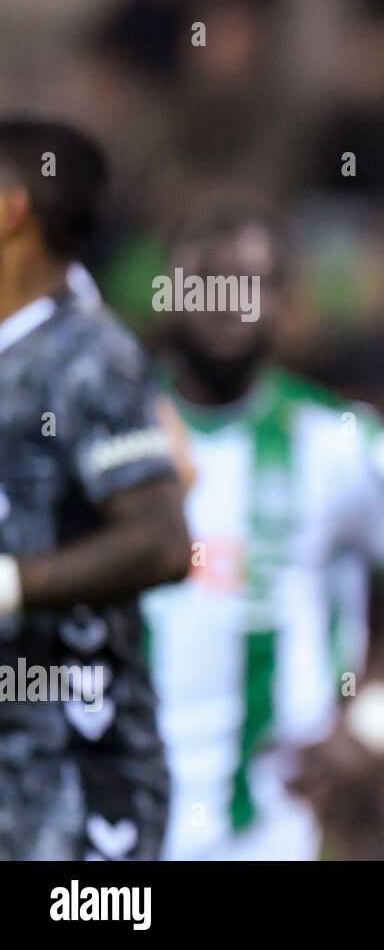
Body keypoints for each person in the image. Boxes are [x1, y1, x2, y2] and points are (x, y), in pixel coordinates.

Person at [141, 200, 384, 859]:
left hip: (276, 823)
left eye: (253, 284)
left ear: (285, 301)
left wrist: (373, 724)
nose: (228, 303)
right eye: (205, 282)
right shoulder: (111, 433)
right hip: (113, 811)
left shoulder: (341, 440)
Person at [0, 118, 191, 859]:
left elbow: (161, 540)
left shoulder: (90, 357)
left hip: (76, 778)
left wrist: (12, 585)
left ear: (12, 209)